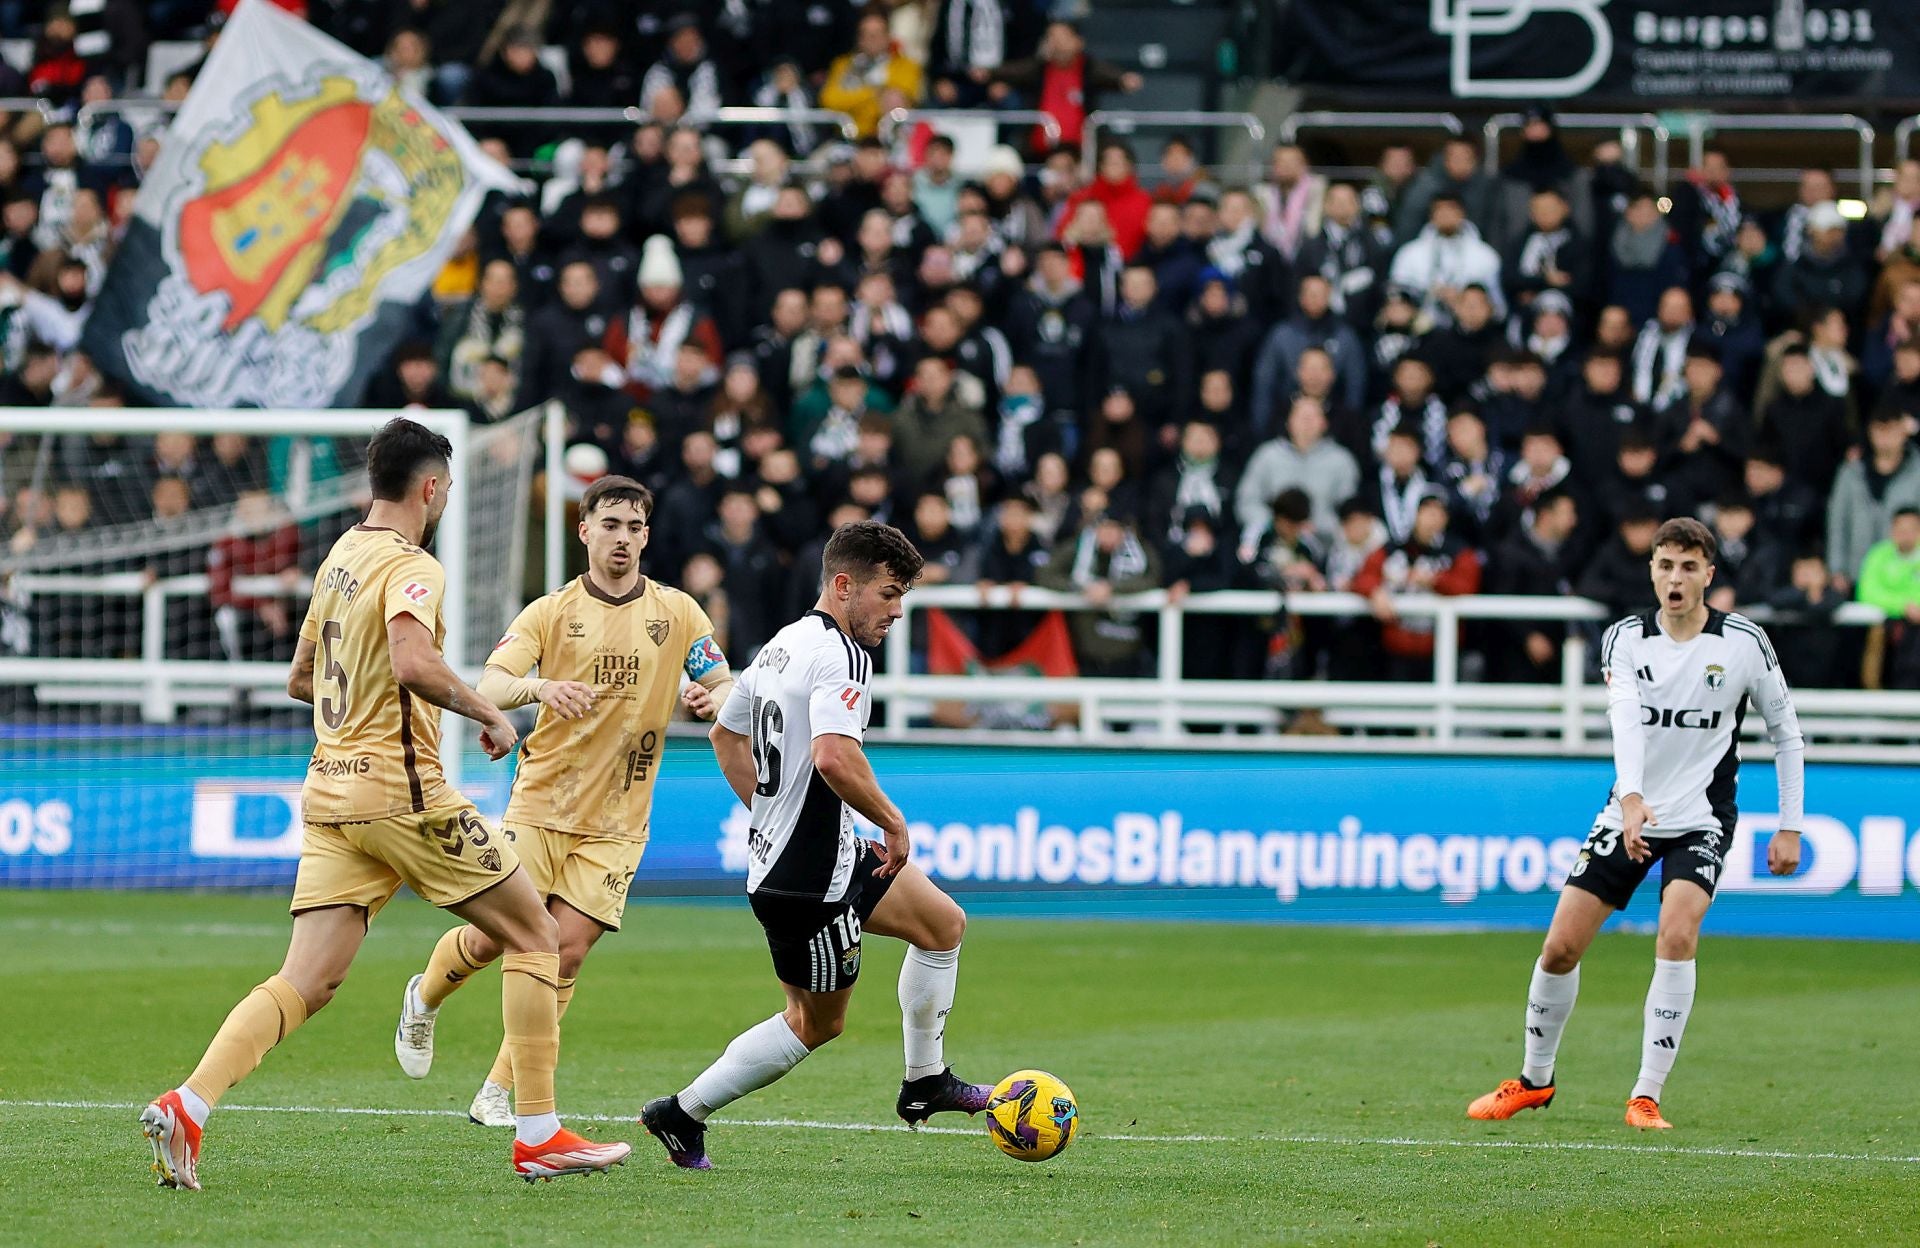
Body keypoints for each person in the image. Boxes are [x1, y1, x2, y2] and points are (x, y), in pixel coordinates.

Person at [139, 420, 629, 1190]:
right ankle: (537, 1133)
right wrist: (489, 713)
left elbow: (301, 676)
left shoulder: (340, 555)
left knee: (307, 981)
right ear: (431, 487)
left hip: (330, 790)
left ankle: (189, 1104)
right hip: (402, 794)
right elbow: (411, 658)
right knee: (538, 933)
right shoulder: (413, 566)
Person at [640, 522, 994, 1169]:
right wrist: (892, 821)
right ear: (843, 585)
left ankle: (926, 1081)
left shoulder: (783, 645)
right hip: (809, 882)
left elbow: (725, 735)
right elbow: (835, 757)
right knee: (815, 1023)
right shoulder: (843, 655)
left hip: (823, 853)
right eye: (888, 594)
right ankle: (680, 1113)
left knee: (943, 925)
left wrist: (775, 813)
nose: (896, 611)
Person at [392, 475, 735, 1127]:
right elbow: (492, 680)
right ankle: (425, 997)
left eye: (635, 527)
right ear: (584, 531)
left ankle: (497, 1091)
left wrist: (712, 697)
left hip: (619, 821)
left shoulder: (679, 613)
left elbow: (724, 681)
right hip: (541, 805)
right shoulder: (549, 613)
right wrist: (542, 688)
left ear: (647, 536)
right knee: (500, 939)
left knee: (563, 949)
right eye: (611, 525)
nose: (623, 539)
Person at [1467, 517, 1805, 1130]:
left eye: (1688, 567)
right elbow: (1624, 719)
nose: (1675, 579)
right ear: (1651, 570)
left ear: (1709, 574)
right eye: (1665, 566)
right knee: (1560, 947)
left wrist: (1791, 825)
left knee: (1676, 935)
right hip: (1631, 807)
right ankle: (1534, 1080)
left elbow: (1787, 735)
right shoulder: (1624, 638)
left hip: (1701, 817)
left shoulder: (1744, 643)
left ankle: (1645, 1094)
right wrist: (1630, 798)